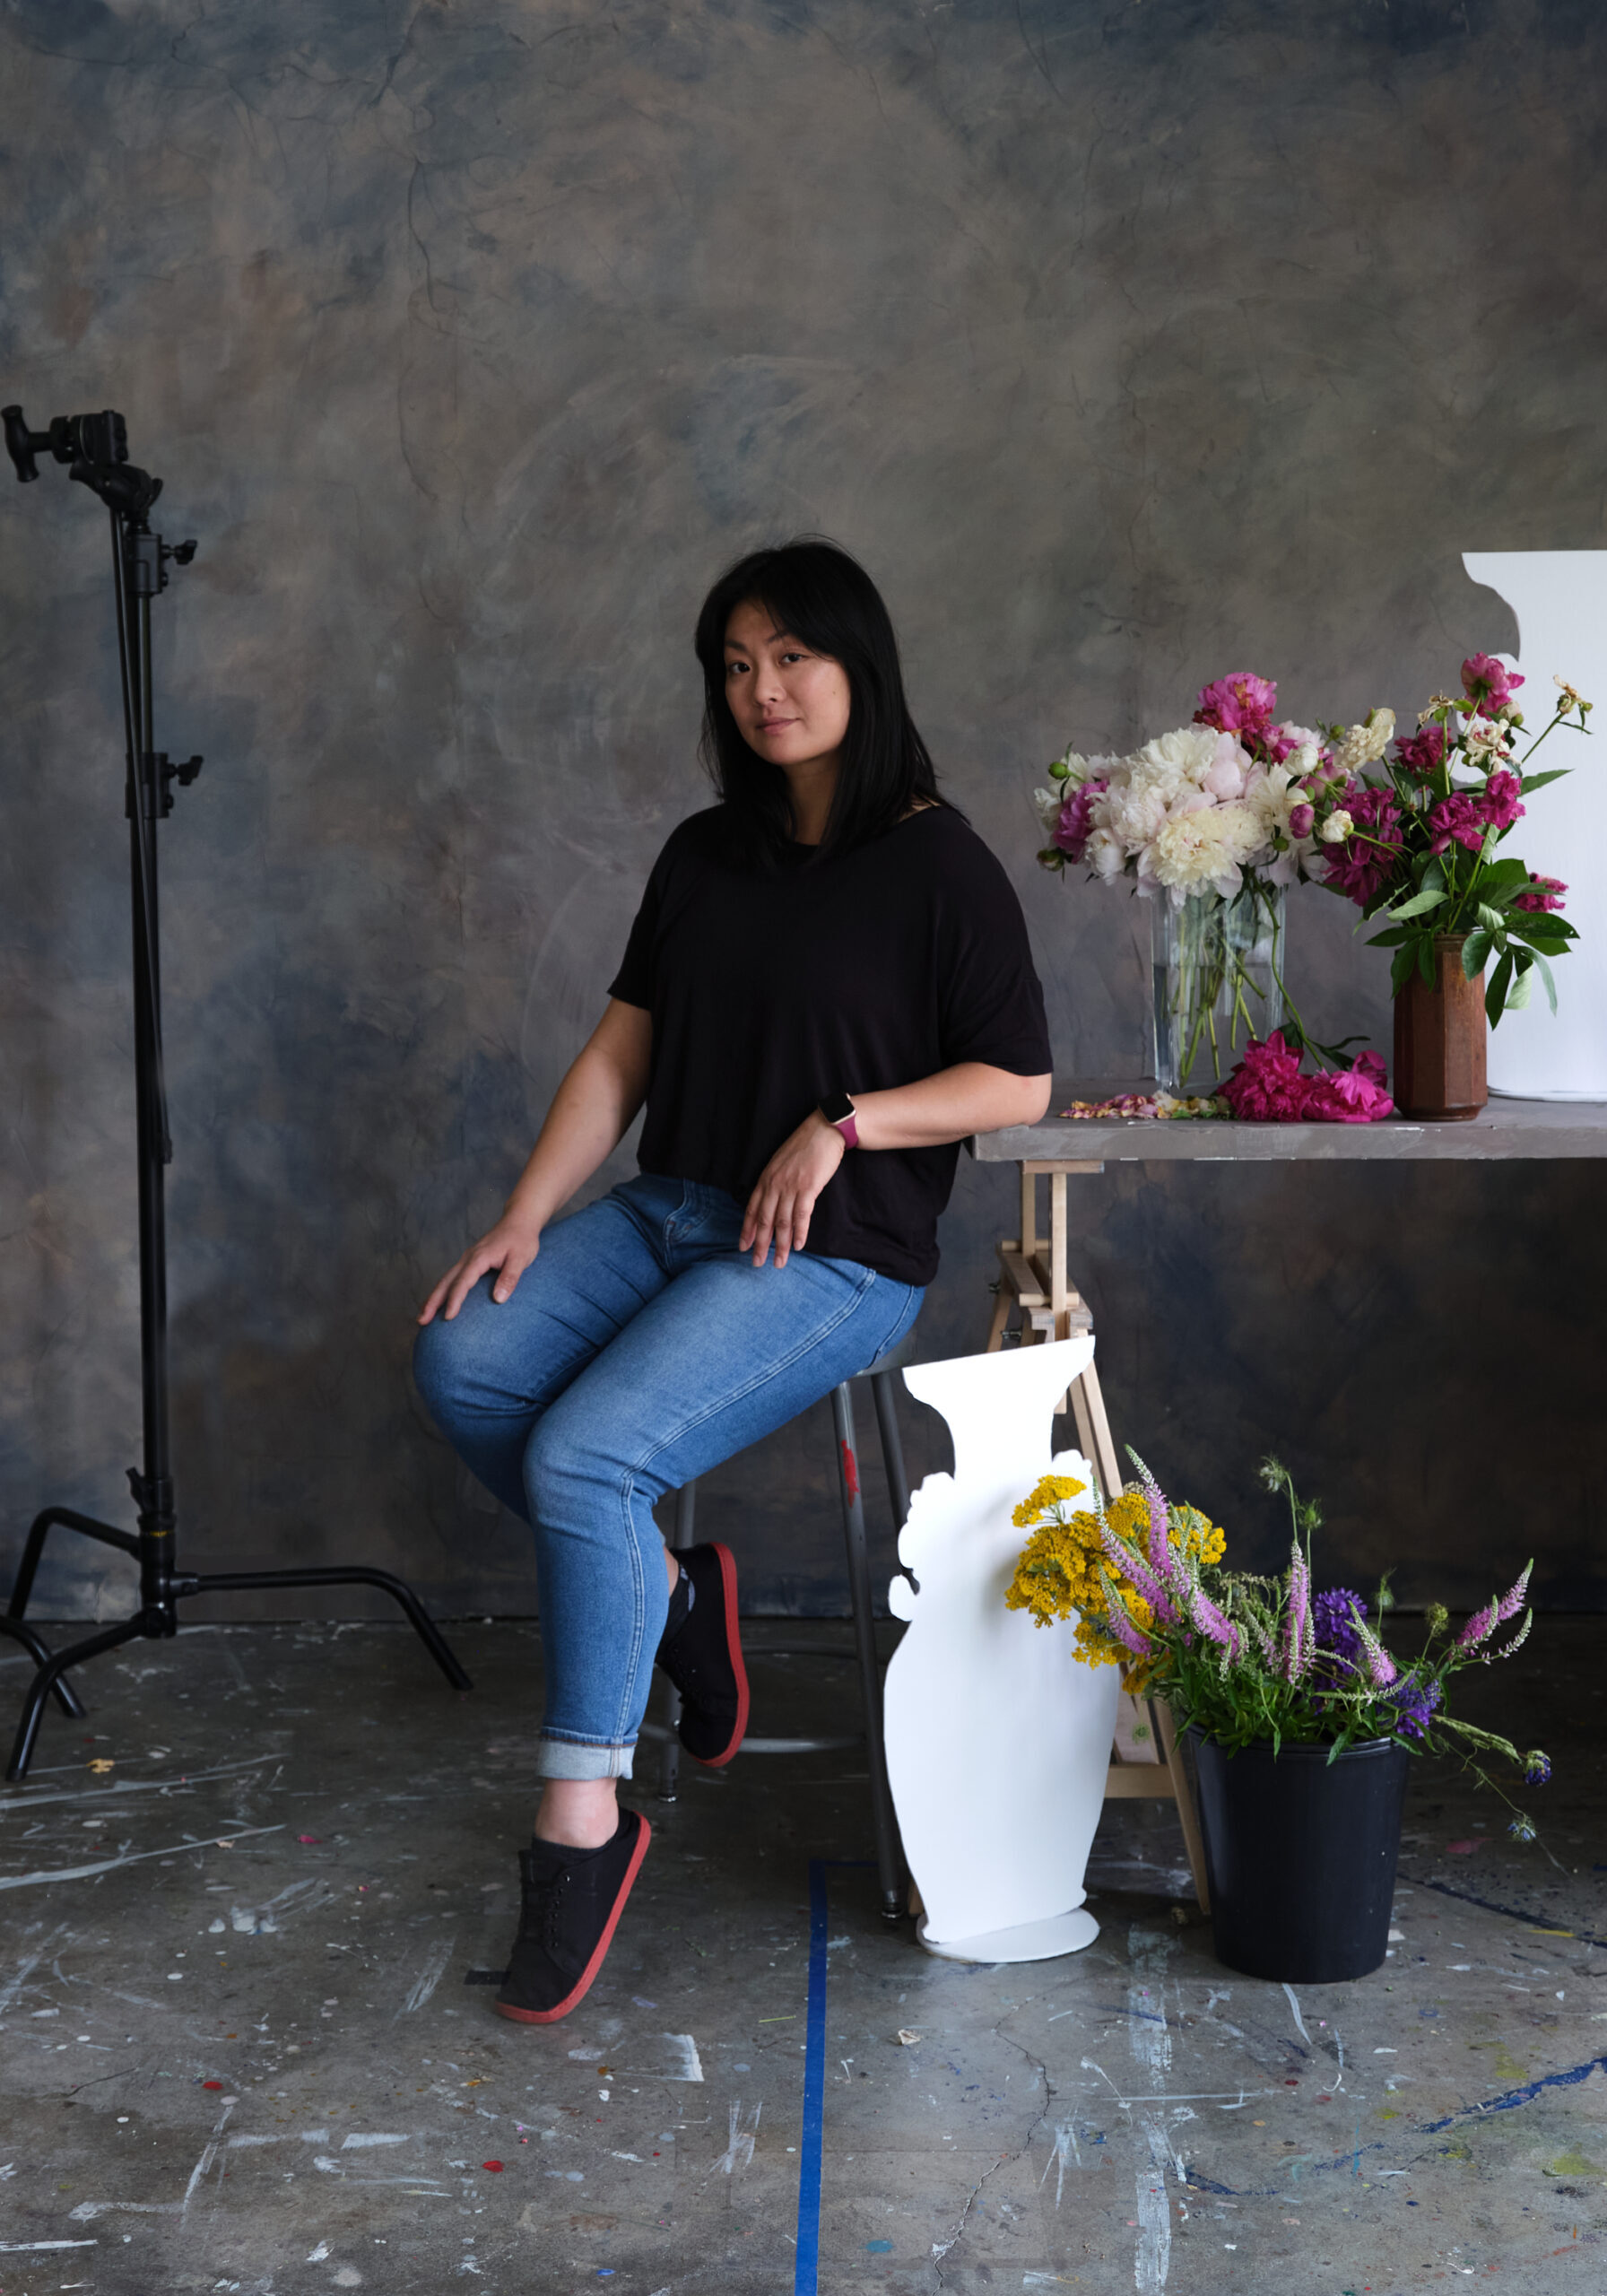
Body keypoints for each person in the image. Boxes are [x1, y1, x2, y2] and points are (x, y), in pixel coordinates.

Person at [413, 538, 1052, 2024]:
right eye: (737, 665)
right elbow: (621, 1051)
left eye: (793, 659)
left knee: (585, 1455)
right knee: (462, 1362)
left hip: (834, 1255)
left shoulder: (939, 864)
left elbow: (1014, 1080)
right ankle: (678, 1602)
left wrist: (849, 1123)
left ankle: (584, 1818)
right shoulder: (707, 852)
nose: (764, 690)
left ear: (859, 667)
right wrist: (524, 1215)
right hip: (670, 1209)